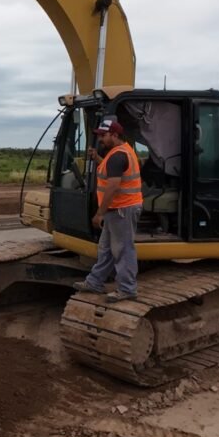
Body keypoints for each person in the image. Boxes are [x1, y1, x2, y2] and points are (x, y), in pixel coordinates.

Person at [82, 117, 143, 303]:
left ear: (114, 135)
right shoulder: (118, 152)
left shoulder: (118, 155)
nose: (100, 139)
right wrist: (98, 158)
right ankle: (95, 281)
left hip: (121, 209)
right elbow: (111, 171)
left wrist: (100, 212)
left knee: (123, 249)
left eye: (103, 135)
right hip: (118, 208)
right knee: (106, 248)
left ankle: (127, 289)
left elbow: (113, 186)